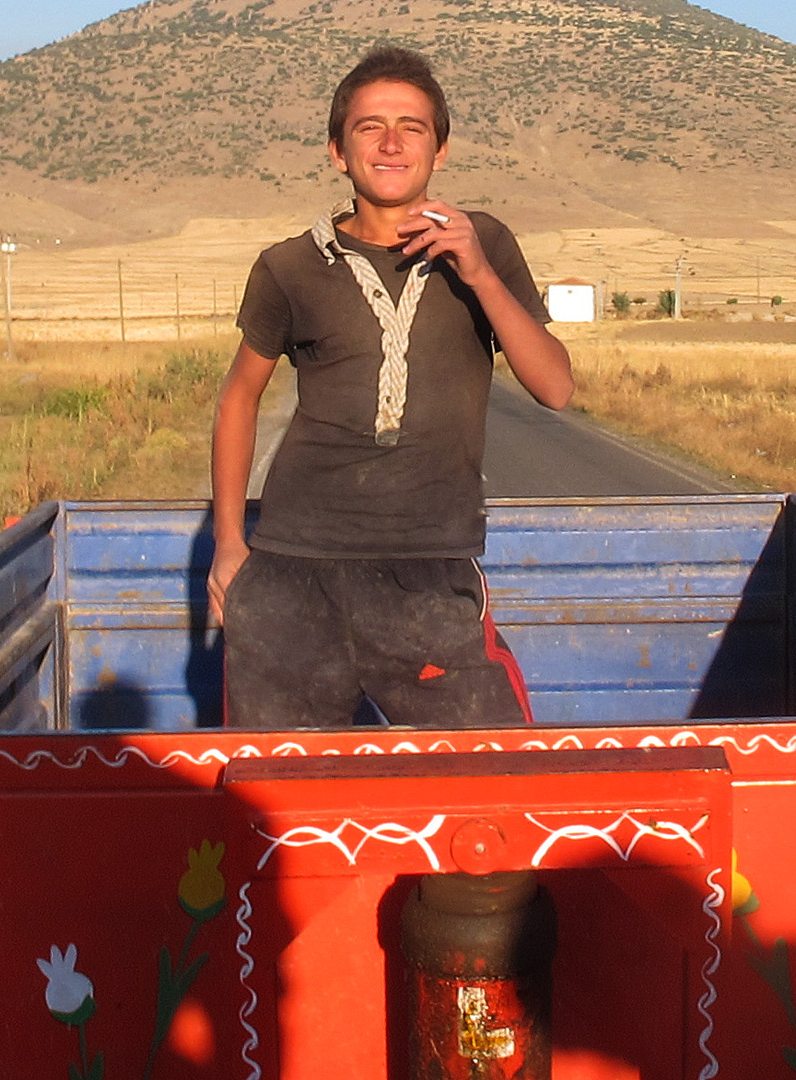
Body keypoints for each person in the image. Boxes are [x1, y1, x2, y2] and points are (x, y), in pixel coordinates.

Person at [208, 46, 574, 729]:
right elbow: (239, 399)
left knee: (493, 768)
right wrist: (229, 544)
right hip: (294, 571)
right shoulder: (289, 267)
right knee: (278, 781)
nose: (391, 142)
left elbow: (555, 387)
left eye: (412, 126)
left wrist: (479, 273)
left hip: (430, 571)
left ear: (440, 150)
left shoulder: (485, 243)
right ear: (338, 153)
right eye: (369, 126)